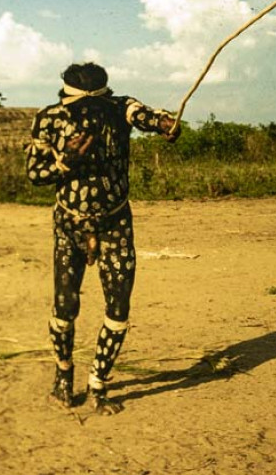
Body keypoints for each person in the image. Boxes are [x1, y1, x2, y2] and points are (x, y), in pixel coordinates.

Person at [24, 62, 180, 415]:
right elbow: (34, 174)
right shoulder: (48, 119)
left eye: (91, 107)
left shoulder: (121, 109)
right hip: (69, 224)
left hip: (115, 224)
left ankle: (98, 383)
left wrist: (166, 125)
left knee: (119, 307)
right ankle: (63, 377)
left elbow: (148, 117)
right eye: (78, 108)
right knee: (65, 306)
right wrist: (65, 162)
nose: (84, 114)